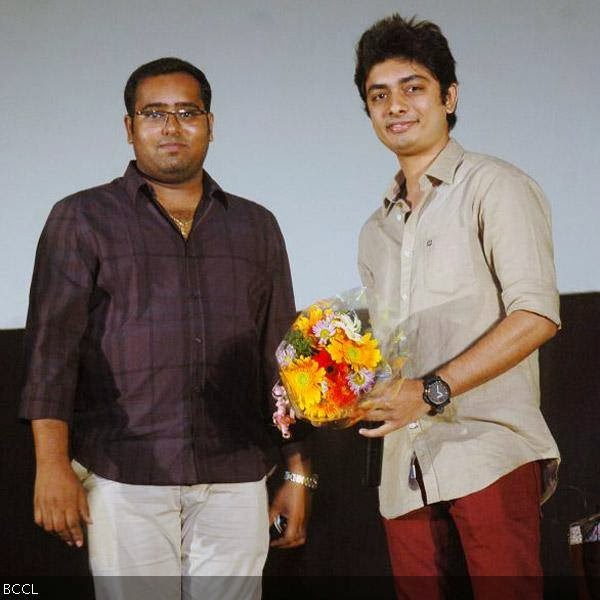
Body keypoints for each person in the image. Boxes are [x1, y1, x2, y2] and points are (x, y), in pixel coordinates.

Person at [20, 57, 314, 600]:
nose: (171, 127)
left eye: (187, 112)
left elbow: (283, 360)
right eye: (154, 114)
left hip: (237, 474)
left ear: (210, 124)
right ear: (129, 128)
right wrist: (51, 466)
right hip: (123, 473)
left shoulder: (256, 225)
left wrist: (298, 474)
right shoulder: (82, 218)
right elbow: (50, 352)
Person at [354, 15, 560, 600]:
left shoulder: (496, 186)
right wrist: (342, 395)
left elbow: (537, 313)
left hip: (487, 452)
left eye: (413, 87)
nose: (396, 106)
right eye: (379, 95)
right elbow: (393, 356)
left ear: (449, 96)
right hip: (405, 468)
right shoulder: (373, 231)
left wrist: (432, 390)